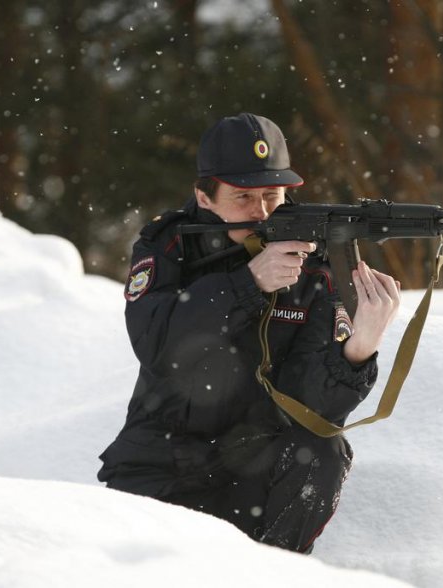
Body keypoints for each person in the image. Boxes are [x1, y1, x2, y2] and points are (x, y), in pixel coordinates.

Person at [97, 113, 401, 553]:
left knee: (322, 451)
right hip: (163, 462)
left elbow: (312, 408)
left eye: (272, 196)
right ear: (205, 196)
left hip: (253, 467)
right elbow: (157, 346)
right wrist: (247, 285)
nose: (261, 213)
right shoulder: (168, 246)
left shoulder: (313, 262)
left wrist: (359, 348)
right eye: (242, 197)